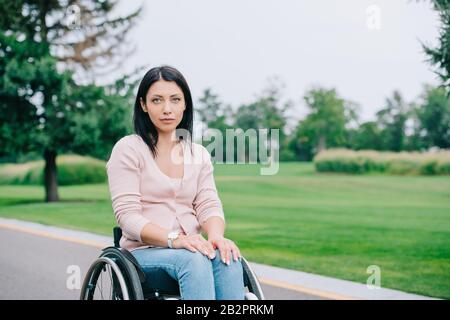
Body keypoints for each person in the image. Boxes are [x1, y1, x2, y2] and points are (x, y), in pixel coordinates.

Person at [106, 65, 244, 300]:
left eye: (175, 99)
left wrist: (216, 236)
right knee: (194, 260)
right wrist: (175, 240)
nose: (167, 109)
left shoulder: (198, 154)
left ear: (185, 104)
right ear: (144, 105)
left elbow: (208, 204)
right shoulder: (129, 149)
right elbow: (128, 217)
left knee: (227, 256)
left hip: (191, 249)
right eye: (157, 100)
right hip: (143, 254)